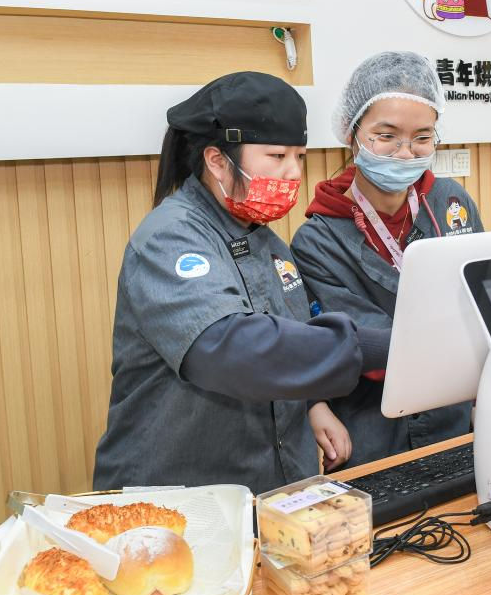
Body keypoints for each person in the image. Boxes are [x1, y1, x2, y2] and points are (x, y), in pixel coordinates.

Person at [93, 72, 387, 493]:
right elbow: (230, 348)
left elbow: (289, 340)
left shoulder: (271, 245)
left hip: (274, 486)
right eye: (276, 155)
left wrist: (313, 405)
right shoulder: (170, 237)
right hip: (181, 493)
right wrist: (374, 346)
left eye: (300, 157)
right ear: (216, 160)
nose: (293, 173)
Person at [291, 52, 483, 470]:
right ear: (351, 133)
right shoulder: (318, 239)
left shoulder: (451, 203)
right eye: (387, 135)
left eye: (422, 137)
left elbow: (480, 297)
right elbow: (360, 343)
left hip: (452, 419)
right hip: (372, 431)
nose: (405, 153)